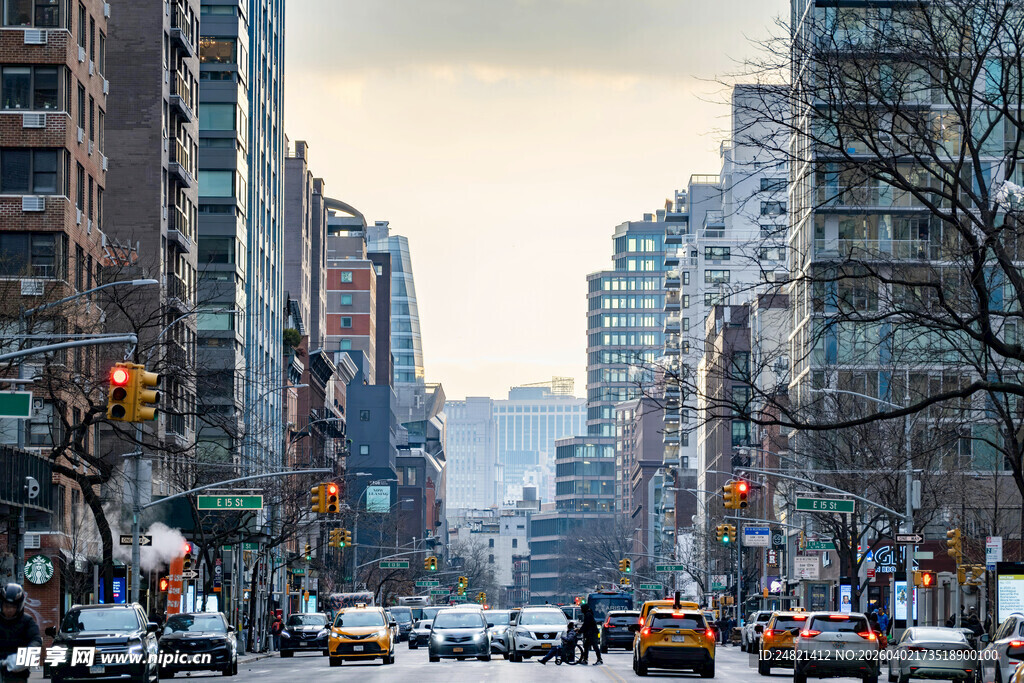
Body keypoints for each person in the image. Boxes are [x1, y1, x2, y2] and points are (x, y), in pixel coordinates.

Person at [0, 583, 41, 682]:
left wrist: (26, 655)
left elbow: (35, 639)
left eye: (12, 607)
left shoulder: (27, 621)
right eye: (6, 606)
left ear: (19, 606)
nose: (9, 610)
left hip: (17, 675)